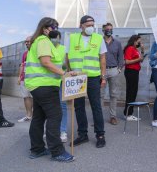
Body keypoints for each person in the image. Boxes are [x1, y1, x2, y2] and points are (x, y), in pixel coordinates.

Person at [24, 17, 75, 162]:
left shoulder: (42, 42)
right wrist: (64, 74)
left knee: (39, 117)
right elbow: (45, 62)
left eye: (57, 26)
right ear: (45, 28)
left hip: (40, 85)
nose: (56, 29)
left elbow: (55, 64)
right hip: (44, 85)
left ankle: (37, 149)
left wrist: (66, 71)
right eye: (53, 27)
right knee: (55, 116)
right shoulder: (43, 41)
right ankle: (57, 151)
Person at [66, 15, 107, 148]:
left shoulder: (98, 38)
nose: (91, 27)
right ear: (81, 25)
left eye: (92, 25)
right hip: (77, 78)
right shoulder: (71, 38)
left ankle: (100, 135)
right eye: (88, 24)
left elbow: (102, 59)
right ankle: (82, 134)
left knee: (96, 106)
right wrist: (68, 73)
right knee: (78, 107)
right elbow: (67, 57)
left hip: (93, 77)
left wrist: (103, 76)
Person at [48, 30, 69, 143]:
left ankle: (63, 131)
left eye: (57, 38)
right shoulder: (45, 48)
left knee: (62, 106)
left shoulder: (63, 48)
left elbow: (65, 65)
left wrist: (65, 67)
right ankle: (50, 130)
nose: (55, 40)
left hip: (60, 80)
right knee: (49, 107)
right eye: (53, 38)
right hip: (47, 81)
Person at [102, 22, 124, 125]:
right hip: (101, 71)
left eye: (111, 29)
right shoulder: (99, 41)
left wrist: (119, 69)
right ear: (103, 30)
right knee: (100, 95)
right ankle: (99, 116)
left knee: (113, 95)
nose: (109, 31)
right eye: (107, 29)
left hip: (114, 70)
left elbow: (121, 57)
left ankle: (113, 116)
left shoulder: (117, 43)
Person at [123, 35, 144, 121]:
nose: (140, 43)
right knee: (131, 92)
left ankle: (129, 112)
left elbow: (141, 59)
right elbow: (127, 61)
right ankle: (128, 114)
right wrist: (138, 59)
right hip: (130, 71)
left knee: (133, 92)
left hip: (135, 71)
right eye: (139, 41)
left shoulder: (136, 49)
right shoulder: (130, 48)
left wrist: (142, 50)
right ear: (134, 41)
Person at [17, 36, 33, 123]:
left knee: (34, 97)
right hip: (25, 79)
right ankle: (28, 115)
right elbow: (22, 65)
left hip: (35, 79)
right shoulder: (25, 54)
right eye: (26, 41)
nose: (27, 43)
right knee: (26, 97)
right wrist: (19, 77)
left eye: (28, 41)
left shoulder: (36, 52)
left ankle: (36, 116)